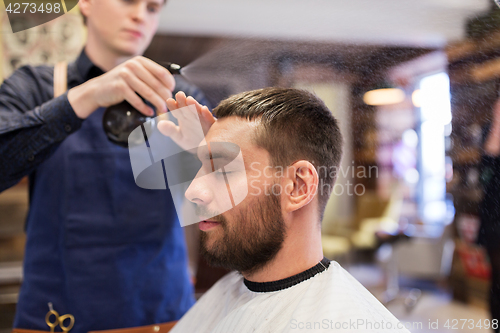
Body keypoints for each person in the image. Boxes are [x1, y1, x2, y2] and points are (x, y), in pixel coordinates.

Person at [0, 0, 213, 332]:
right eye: (128, 1)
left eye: (153, 8)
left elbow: (224, 205)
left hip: (163, 315)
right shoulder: (35, 88)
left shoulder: (181, 98)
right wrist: (82, 98)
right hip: (56, 317)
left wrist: (206, 161)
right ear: (85, 3)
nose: (140, 14)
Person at [161, 87, 410, 333]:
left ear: (297, 186)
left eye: (224, 170)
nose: (192, 191)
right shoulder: (231, 290)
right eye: (201, 168)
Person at [477, 97, 500, 333]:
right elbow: (484, 173)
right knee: (497, 279)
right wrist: (497, 123)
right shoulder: (490, 131)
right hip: (495, 213)